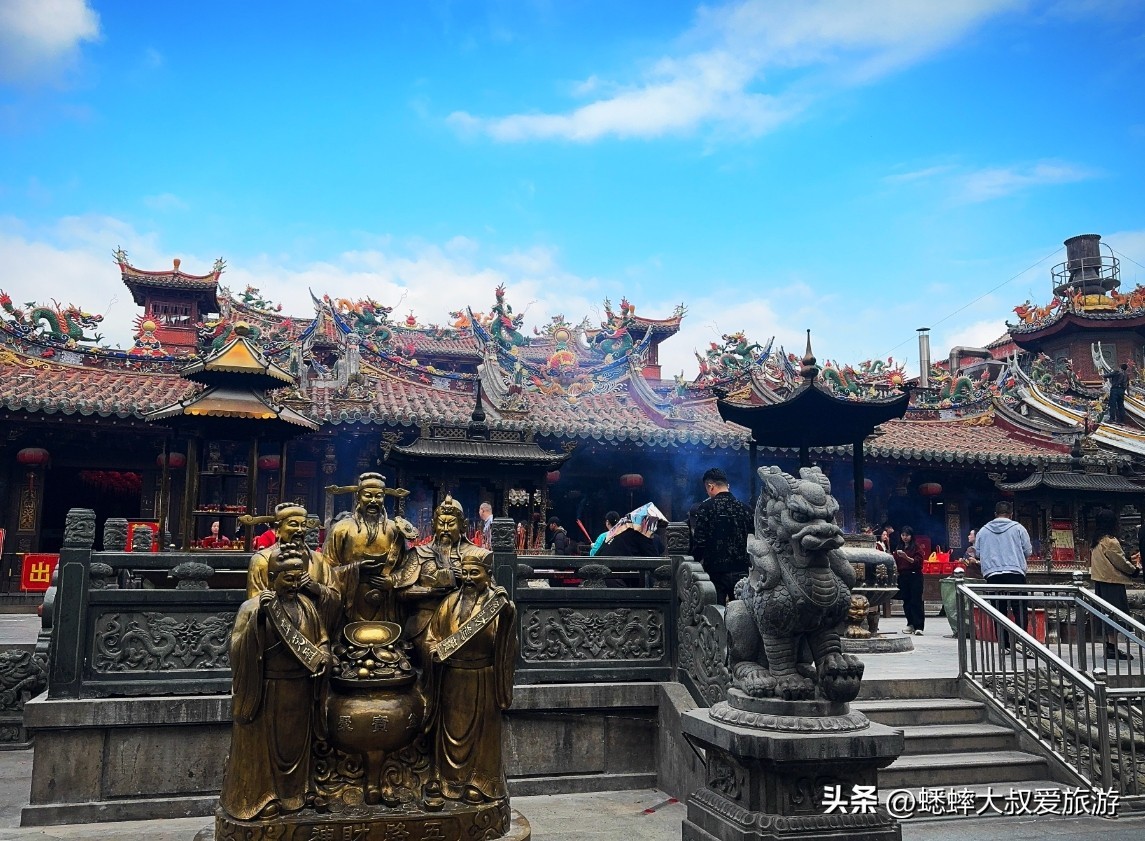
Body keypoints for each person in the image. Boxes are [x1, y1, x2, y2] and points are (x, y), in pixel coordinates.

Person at [220, 548, 338, 820]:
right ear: (273, 577)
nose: (295, 585)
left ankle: (298, 792)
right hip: (268, 689)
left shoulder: (307, 606)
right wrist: (258, 622)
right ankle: (263, 796)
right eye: (288, 579)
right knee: (265, 748)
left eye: (298, 578)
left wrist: (324, 657)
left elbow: (321, 640)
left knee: (297, 744)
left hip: (301, 688)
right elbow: (235, 647)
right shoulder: (252, 608)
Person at [424, 552, 516, 806]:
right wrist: (432, 650)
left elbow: (508, 645)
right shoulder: (449, 603)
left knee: (482, 734)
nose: (467, 579)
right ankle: (445, 779)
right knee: (448, 730)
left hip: (482, 676)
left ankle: (480, 782)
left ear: (488, 575)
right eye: (464, 573)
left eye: (474, 573)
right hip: (451, 676)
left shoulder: (497, 606)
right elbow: (431, 636)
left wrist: (508, 617)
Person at [689, 467, 754, 604]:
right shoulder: (745, 509)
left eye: (707, 489)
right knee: (741, 611)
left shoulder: (706, 508)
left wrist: (693, 563)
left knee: (715, 612)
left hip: (715, 573)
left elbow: (700, 542)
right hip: (742, 571)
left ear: (710, 486)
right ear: (727, 485)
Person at [976, 500, 1033, 651]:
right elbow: (1028, 551)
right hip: (1015, 572)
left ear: (995, 514)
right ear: (1011, 514)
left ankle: (1004, 644)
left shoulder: (983, 531)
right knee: (1019, 606)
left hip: (992, 574)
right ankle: (1022, 641)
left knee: (998, 608)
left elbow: (978, 553)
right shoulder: (1018, 528)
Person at [1089, 508, 1141, 660]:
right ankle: (1112, 646)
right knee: (1115, 613)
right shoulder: (1110, 541)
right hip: (1112, 581)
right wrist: (1134, 570)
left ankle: (1109, 646)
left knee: (1105, 613)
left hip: (1100, 581)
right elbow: (1119, 561)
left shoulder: (1096, 541)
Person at [246, 504, 327, 598]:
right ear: (278, 529)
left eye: (303, 525)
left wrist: (319, 589)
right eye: (293, 525)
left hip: (312, 607)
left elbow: (336, 595)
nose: (300, 530)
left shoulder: (318, 559)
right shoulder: (262, 560)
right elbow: (253, 600)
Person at [893, 526, 926, 635]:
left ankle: (919, 626)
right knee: (906, 601)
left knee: (916, 601)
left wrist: (905, 556)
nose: (905, 537)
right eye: (903, 535)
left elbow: (917, 562)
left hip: (915, 576)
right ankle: (910, 624)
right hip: (903, 576)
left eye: (907, 535)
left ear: (911, 536)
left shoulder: (916, 547)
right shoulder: (899, 547)